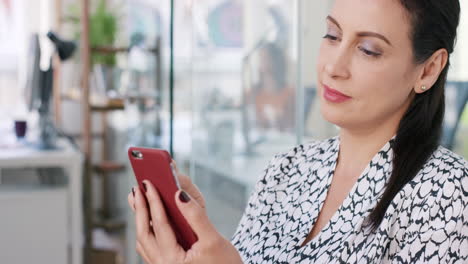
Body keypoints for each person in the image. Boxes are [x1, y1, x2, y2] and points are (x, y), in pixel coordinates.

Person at [127, 0, 468, 263]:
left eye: (368, 50)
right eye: (332, 35)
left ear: (428, 69)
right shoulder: (286, 168)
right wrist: (202, 243)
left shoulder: (448, 196)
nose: (333, 66)